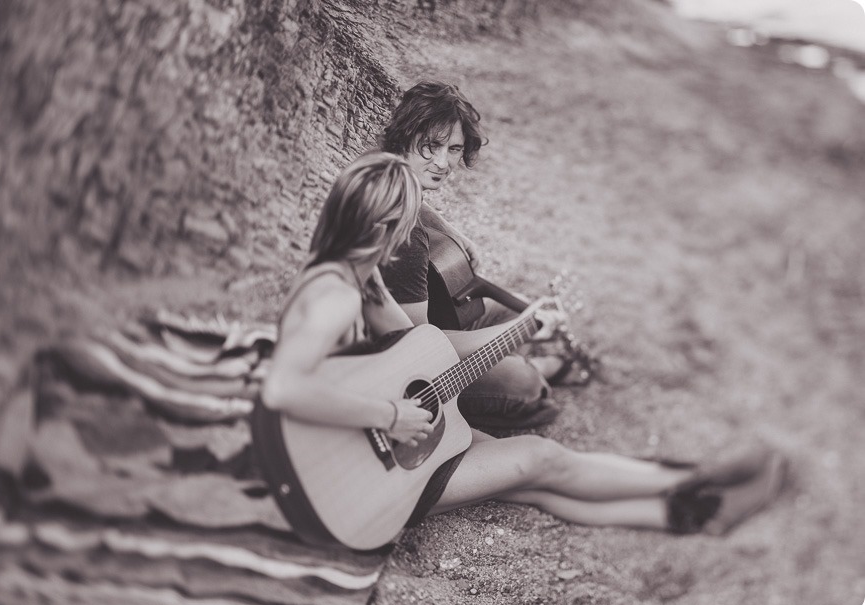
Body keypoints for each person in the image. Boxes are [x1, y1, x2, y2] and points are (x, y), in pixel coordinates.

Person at [261, 151, 786, 537]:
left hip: (373, 454)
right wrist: (389, 413)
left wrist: (523, 326)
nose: (410, 236)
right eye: (406, 223)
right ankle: (700, 480)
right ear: (381, 224)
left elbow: (425, 349)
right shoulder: (332, 294)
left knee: (539, 479)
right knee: (540, 460)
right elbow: (284, 388)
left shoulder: (362, 279)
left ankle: (703, 506)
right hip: (355, 482)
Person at [379, 81, 571, 430]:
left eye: (453, 149)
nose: (443, 162)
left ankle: (530, 359)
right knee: (527, 386)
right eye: (431, 146)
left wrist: (451, 231)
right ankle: (541, 371)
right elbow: (420, 349)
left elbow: (417, 201)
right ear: (405, 136)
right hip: (398, 375)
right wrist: (517, 330)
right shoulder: (403, 237)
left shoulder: (384, 174)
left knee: (515, 306)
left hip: (425, 324)